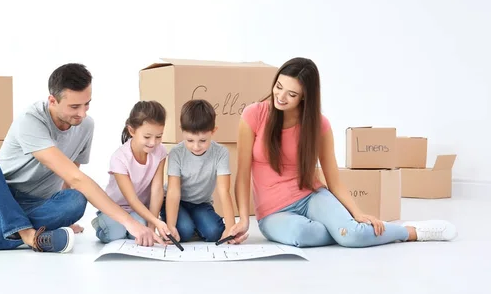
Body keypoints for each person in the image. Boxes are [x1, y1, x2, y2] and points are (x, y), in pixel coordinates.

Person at [0, 63, 164, 253]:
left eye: (87, 104)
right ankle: (27, 235)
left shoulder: (86, 126)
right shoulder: (31, 120)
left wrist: (61, 216)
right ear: (53, 101)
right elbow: (77, 177)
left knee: (75, 200)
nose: (82, 113)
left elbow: (70, 177)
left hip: (36, 205)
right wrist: (130, 222)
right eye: (74, 106)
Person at [228, 57, 458, 247]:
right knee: (301, 235)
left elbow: (333, 180)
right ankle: (345, 231)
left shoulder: (319, 125)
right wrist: (243, 219)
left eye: (291, 93)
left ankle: (410, 231)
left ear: (305, 96)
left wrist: (356, 213)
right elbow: (243, 174)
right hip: (272, 212)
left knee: (354, 234)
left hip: (311, 197)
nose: (281, 96)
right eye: (279, 87)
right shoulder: (253, 115)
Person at [91, 100, 172, 244]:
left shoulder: (160, 152)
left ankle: (132, 226)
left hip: (139, 209)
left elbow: (157, 190)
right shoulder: (119, 158)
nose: (153, 142)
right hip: (116, 207)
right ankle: (101, 221)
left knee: (141, 235)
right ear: (132, 131)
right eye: (147, 137)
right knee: (115, 234)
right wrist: (155, 220)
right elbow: (132, 199)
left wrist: (152, 226)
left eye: (158, 136)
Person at [160, 99, 236, 243]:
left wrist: (231, 228)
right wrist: (170, 227)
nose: (196, 146)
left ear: (213, 131)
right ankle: (187, 224)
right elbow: (173, 192)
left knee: (215, 232)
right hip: (177, 201)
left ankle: (193, 223)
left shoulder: (221, 153)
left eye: (202, 140)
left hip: (201, 203)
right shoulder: (177, 153)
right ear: (181, 130)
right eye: (190, 140)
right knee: (183, 231)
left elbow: (224, 191)